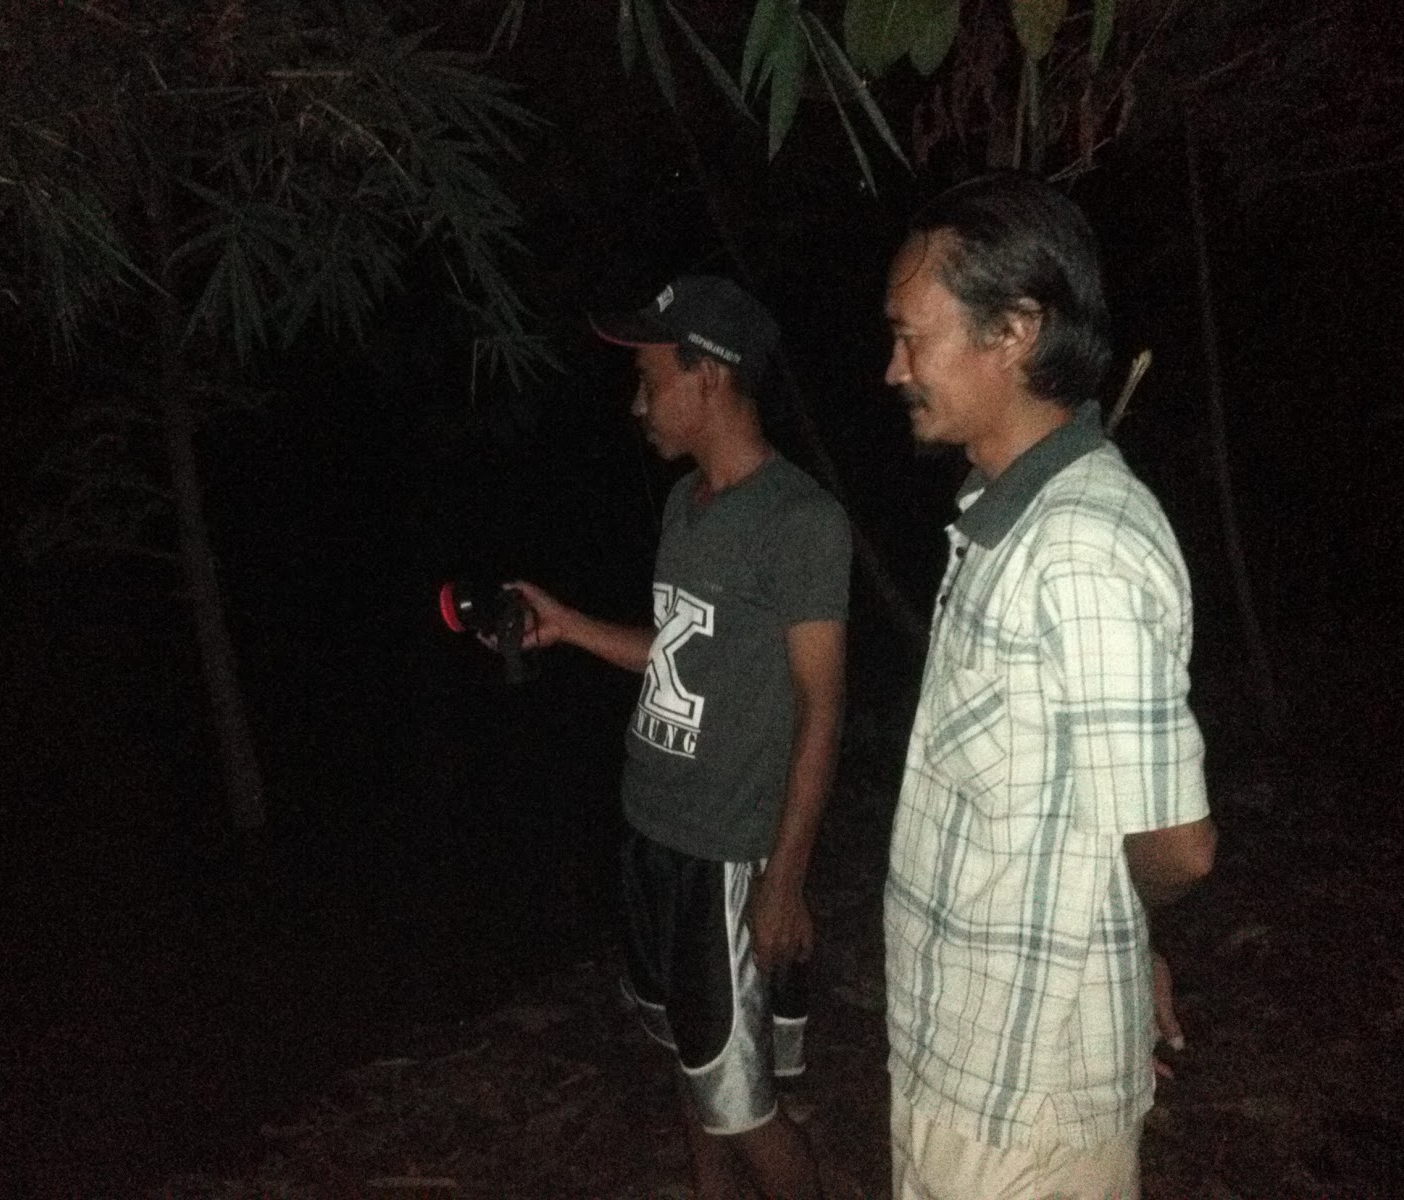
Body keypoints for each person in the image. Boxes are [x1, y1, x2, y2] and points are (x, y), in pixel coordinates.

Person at [880, 173, 1216, 1200]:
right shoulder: (1004, 518)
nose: (893, 368)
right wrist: (1128, 945)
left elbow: (1176, 844)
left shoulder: (1081, 546)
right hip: (963, 1068)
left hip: (1020, 1106)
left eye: (911, 338)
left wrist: (1117, 931)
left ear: (1015, 331)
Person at [508, 275, 851, 1199]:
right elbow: (676, 652)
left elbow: (821, 706)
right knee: (692, 1068)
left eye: (649, 379)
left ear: (706, 376)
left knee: (745, 1110)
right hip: (653, 834)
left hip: (726, 856)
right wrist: (569, 626)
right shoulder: (685, 507)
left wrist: (786, 881)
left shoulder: (801, 522)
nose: (638, 402)